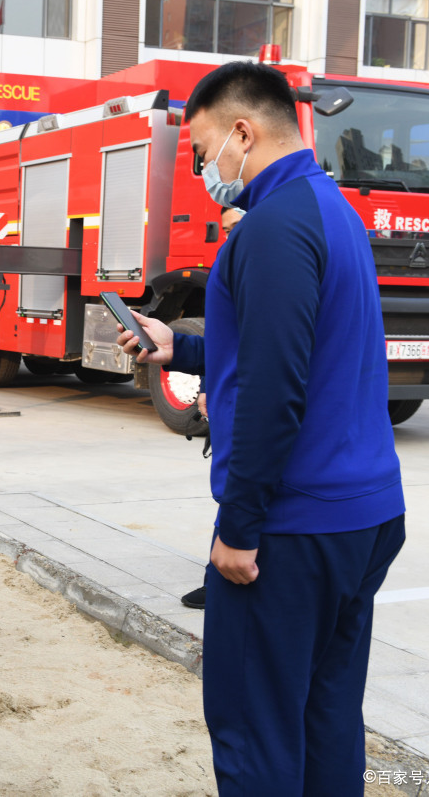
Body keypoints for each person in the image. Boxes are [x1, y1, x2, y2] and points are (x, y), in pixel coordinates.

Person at [118, 61, 406, 796]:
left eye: (201, 146)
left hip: (293, 527)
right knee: (324, 715)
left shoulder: (273, 228)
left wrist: (240, 526)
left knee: (255, 726)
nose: (200, 166)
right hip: (363, 514)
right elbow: (293, 350)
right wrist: (179, 346)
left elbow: (278, 389)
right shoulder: (329, 208)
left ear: (243, 132)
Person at [181, 205, 242, 611]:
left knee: (237, 491)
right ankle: (215, 575)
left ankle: (218, 576)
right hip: (228, 398)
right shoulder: (229, 266)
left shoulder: (261, 269)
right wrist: (206, 387)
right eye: (224, 230)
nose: (229, 236)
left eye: (236, 228)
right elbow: (222, 338)